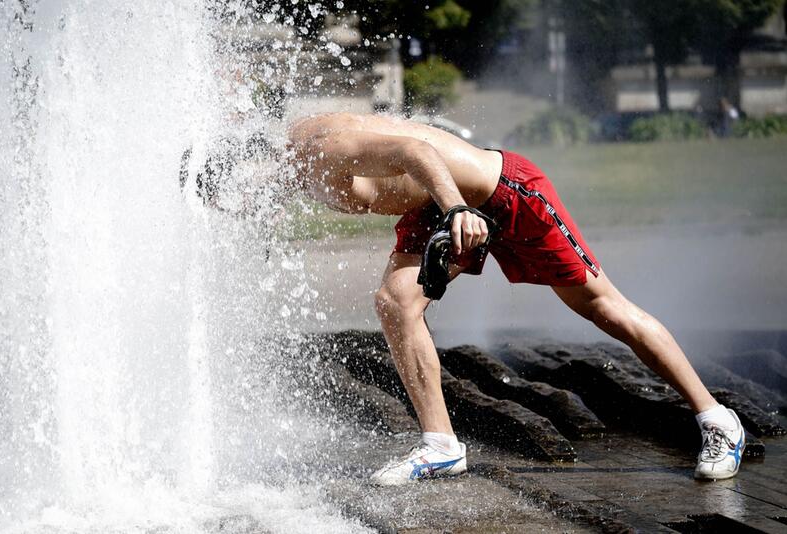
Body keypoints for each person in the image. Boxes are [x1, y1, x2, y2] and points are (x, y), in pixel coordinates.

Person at [187, 112, 746, 486]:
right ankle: (440, 445)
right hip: (432, 210)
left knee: (602, 307)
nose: (243, 207)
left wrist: (457, 210)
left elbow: (415, 148)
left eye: (236, 196)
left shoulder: (319, 146)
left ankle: (717, 419)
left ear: (246, 163)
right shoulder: (286, 168)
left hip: (500, 193)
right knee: (393, 302)